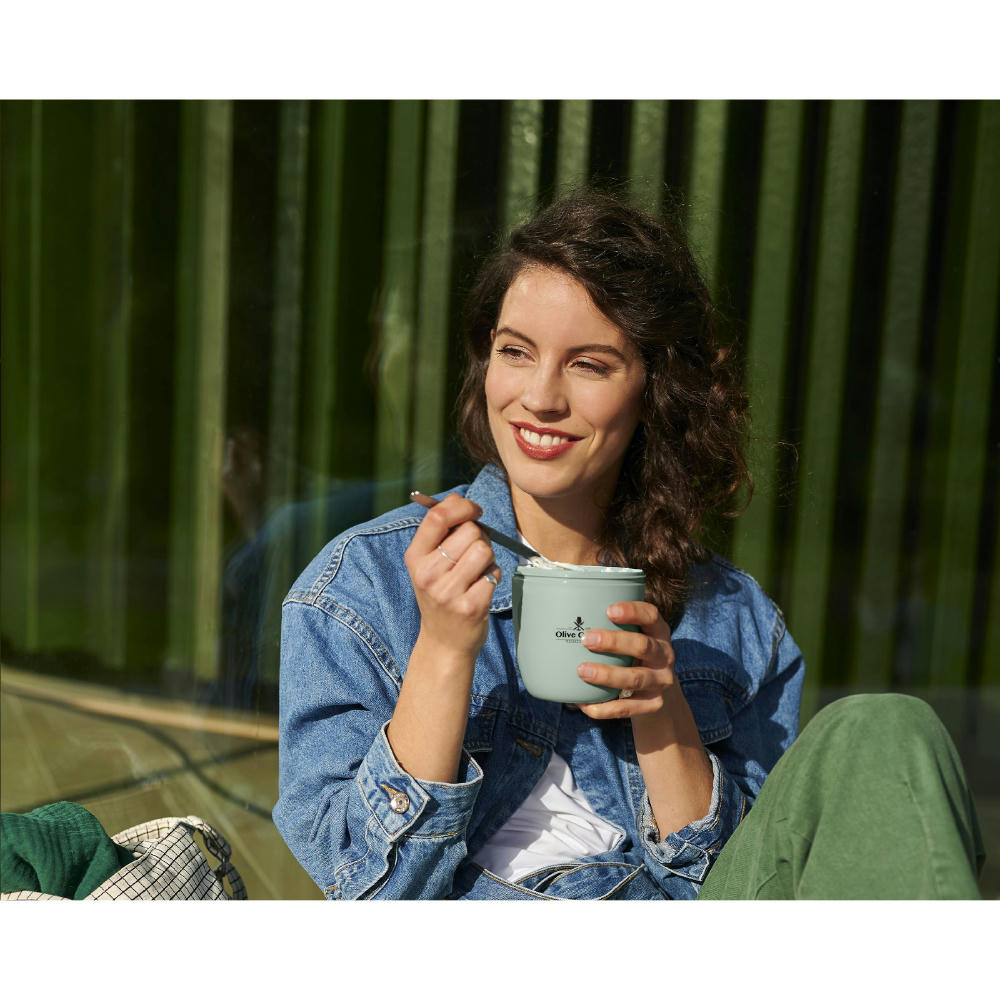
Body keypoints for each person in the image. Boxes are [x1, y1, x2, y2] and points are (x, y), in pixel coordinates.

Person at [273, 189, 984, 899]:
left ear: (653, 387)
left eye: (589, 364)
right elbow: (366, 893)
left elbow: (757, 891)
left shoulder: (733, 619)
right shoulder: (361, 587)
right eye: (515, 352)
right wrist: (443, 649)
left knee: (888, 727)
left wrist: (665, 713)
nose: (540, 397)